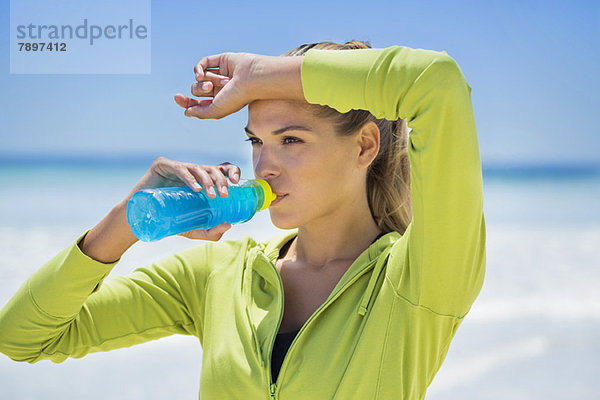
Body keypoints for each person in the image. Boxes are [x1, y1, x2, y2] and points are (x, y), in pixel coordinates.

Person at [0, 40, 486, 399]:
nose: (265, 166)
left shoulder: (419, 281)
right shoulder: (219, 273)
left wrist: (259, 74)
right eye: (256, 141)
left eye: (290, 140)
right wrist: (127, 220)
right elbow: (23, 336)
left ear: (364, 145)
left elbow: (435, 84)